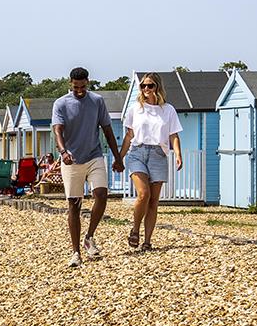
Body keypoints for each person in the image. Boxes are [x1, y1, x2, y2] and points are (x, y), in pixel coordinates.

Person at [52, 66, 121, 268]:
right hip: (71, 159)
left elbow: (107, 130)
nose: (79, 91)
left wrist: (118, 158)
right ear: (70, 84)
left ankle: (89, 237)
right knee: (74, 203)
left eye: (82, 87)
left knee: (101, 194)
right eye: (76, 87)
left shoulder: (97, 101)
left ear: (87, 83)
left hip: (94, 155)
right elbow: (58, 131)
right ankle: (75, 252)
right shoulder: (61, 104)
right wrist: (63, 152)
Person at [116, 73, 184, 250]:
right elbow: (129, 136)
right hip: (137, 152)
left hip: (158, 154)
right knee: (143, 194)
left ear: (157, 87)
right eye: (143, 86)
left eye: (150, 86)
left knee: (153, 201)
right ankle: (135, 229)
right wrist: (119, 157)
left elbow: (173, 135)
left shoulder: (168, 110)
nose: (146, 89)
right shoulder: (135, 108)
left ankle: (147, 241)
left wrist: (178, 154)